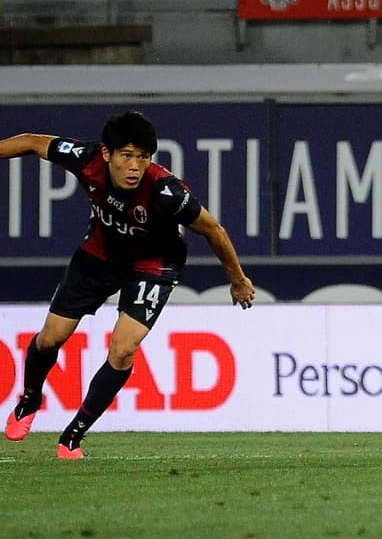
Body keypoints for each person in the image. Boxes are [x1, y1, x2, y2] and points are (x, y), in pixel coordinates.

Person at [2, 111, 255, 458]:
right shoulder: (86, 159)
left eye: (143, 157)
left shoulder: (167, 191)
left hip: (152, 265)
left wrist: (237, 279)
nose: (135, 166)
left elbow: (213, 229)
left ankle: (73, 435)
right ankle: (30, 399)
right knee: (51, 337)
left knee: (123, 349)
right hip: (99, 256)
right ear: (107, 154)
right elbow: (32, 141)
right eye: (127, 156)